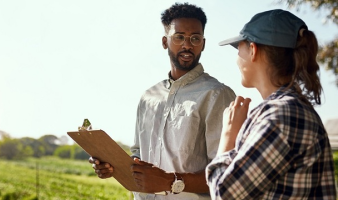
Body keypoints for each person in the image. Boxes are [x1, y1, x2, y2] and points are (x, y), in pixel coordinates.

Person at [89, 3, 235, 200]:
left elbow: (227, 174)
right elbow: (138, 155)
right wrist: (113, 166)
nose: (187, 45)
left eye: (195, 38)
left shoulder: (217, 95)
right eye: (179, 37)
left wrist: (171, 181)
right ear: (165, 41)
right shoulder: (148, 97)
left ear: (203, 43)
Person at [206, 9, 337, 199]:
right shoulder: (289, 111)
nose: (236, 58)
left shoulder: (280, 116)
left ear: (253, 50)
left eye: (239, 48)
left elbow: (223, 195)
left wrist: (228, 136)